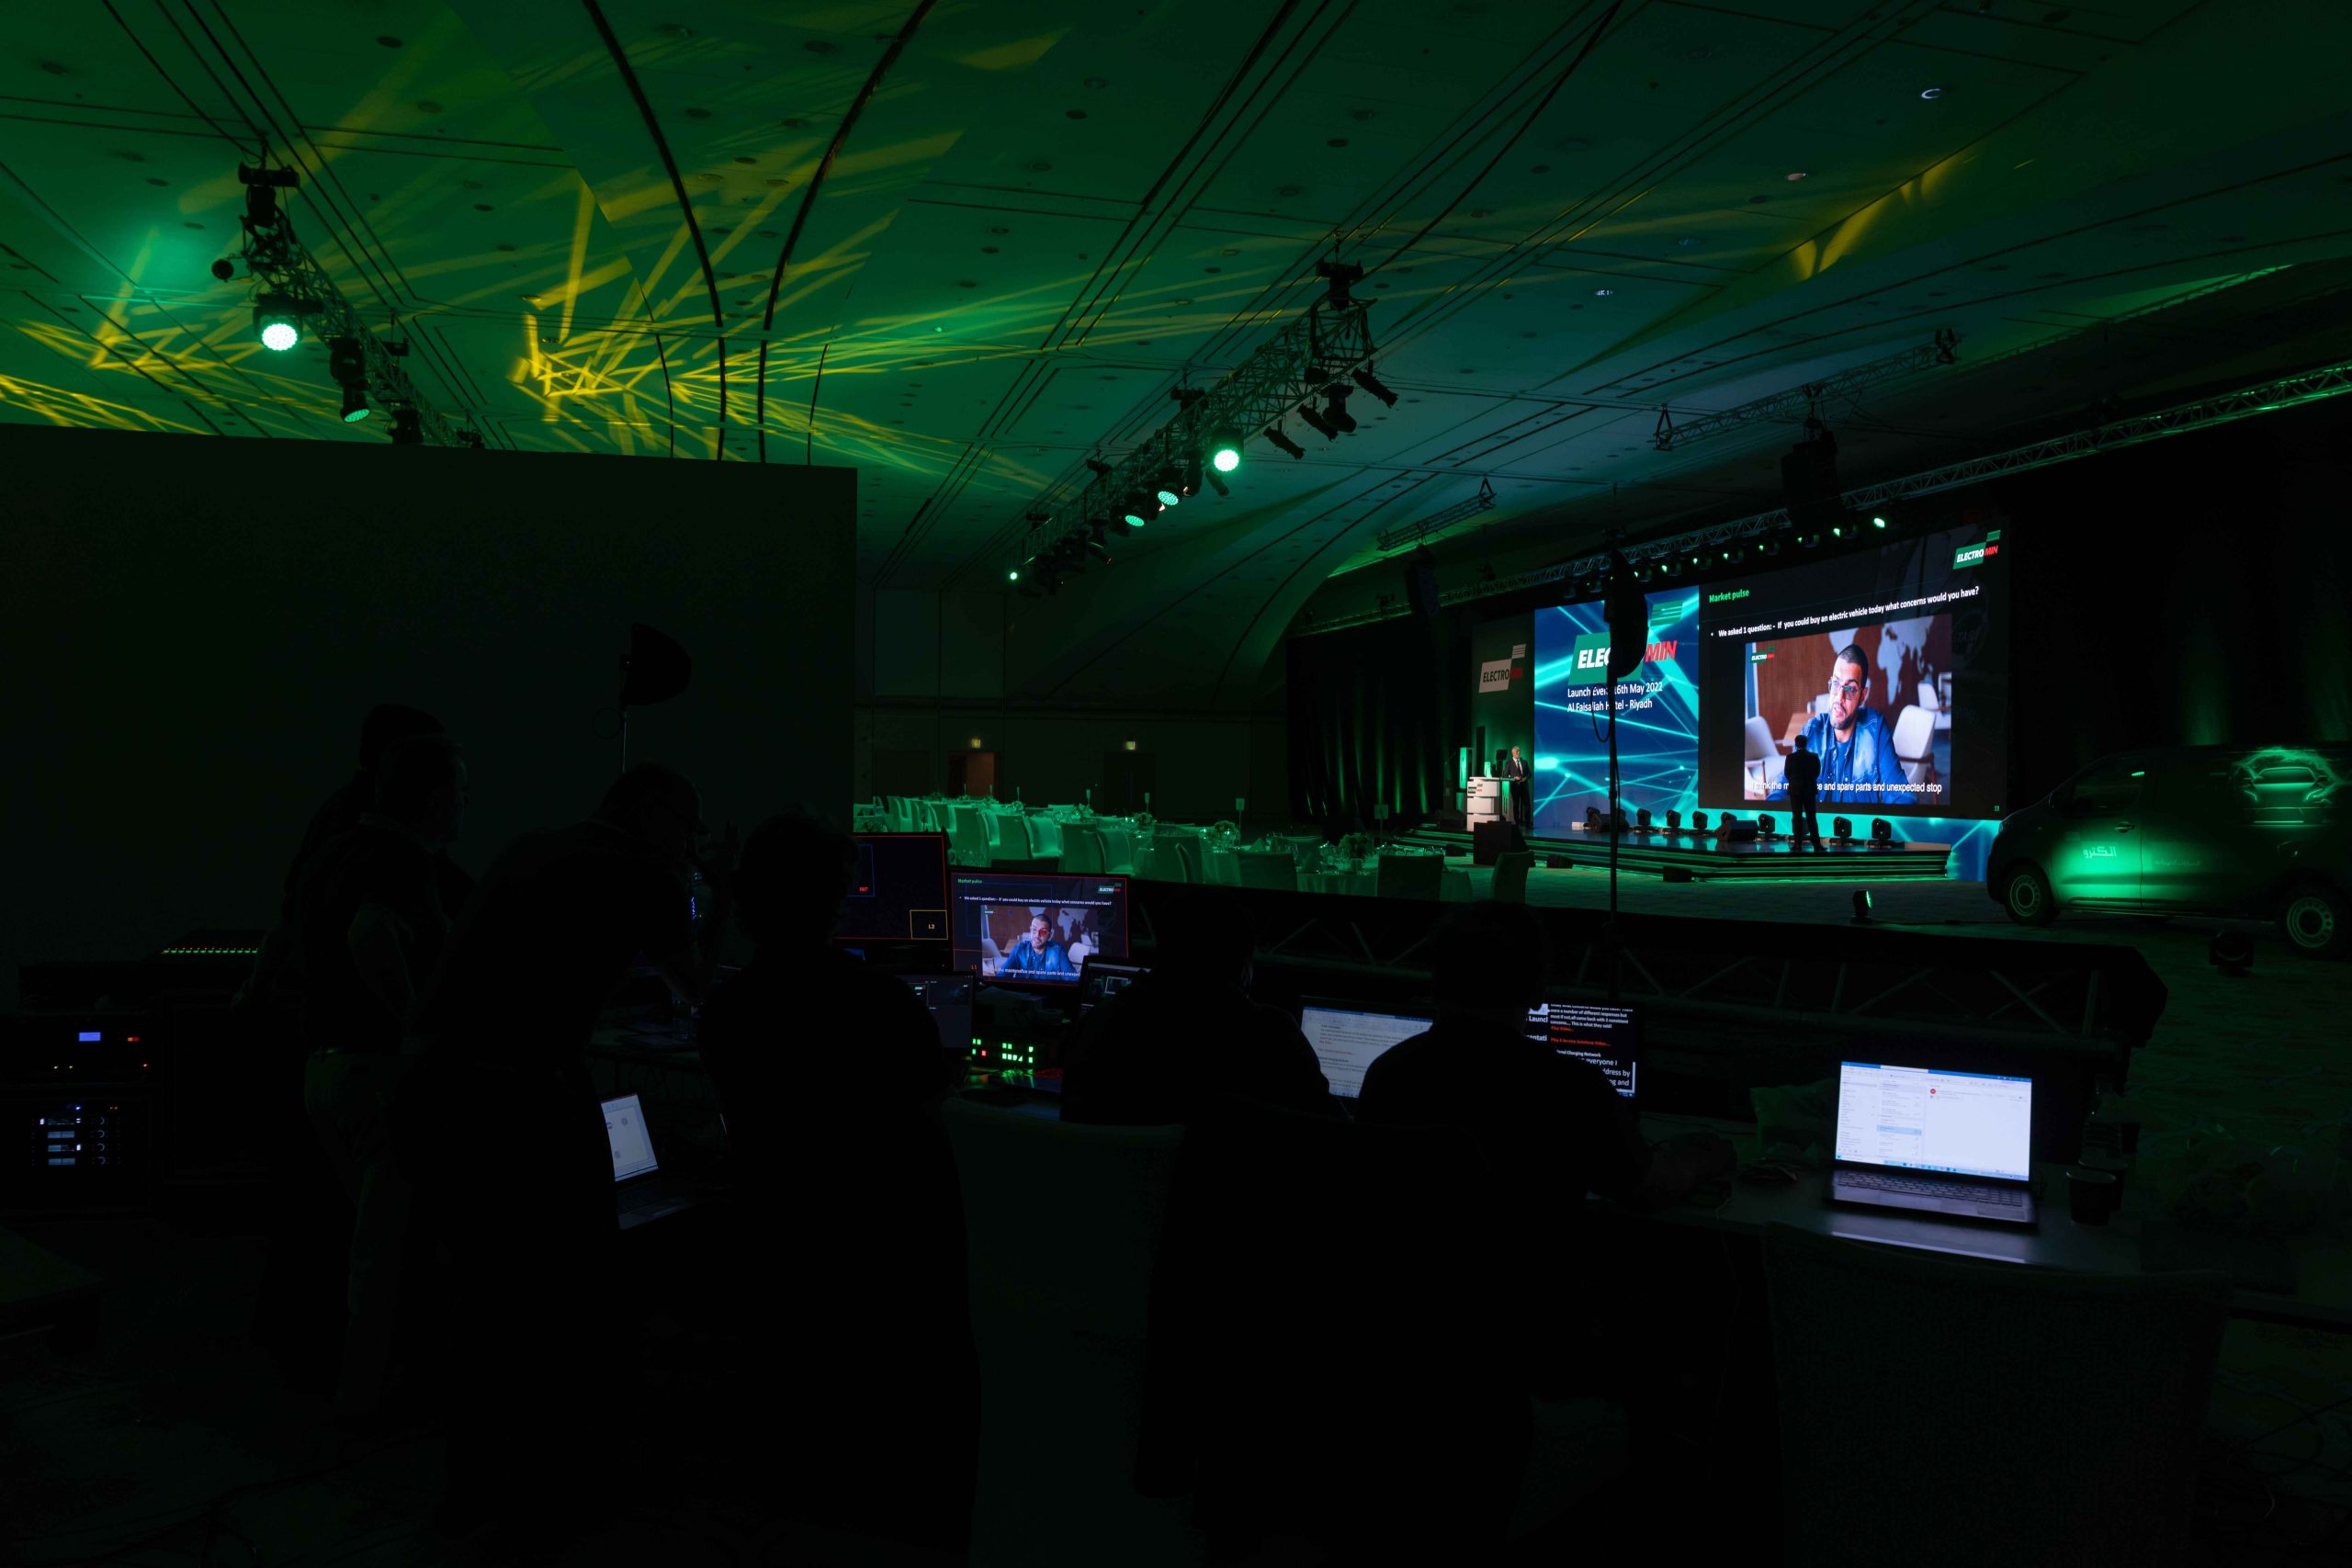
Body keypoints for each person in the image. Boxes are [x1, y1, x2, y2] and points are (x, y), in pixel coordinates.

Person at [395, 762, 733, 1540]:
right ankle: (559, 1485)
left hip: (434, 1087)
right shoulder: (643, 872)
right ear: (648, 812)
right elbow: (699, 985)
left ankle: (477, 1486)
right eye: (687, 826)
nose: (690, 844)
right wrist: (721, 893)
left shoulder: (533, 847)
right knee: (571, 1288)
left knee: (488, 1293)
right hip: (517, 1097)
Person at [696, 807, 975, 1552]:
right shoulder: (883, 1004)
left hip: (781, 1243)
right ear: (834, 898)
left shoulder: (726, 1008)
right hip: (878, 1256)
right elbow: (932, 1117)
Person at [294, 733, 466, 1422]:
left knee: (371, 1244)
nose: (464, 804)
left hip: (323, 1070)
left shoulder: (330, 853)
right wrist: (415, 1025)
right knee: (385, 1254)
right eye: (459, 791)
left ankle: (370, 1385)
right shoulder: (403, 860)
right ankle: (361, 1403)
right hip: (379, 1074)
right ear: (432, 798)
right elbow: (371, 934)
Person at [237, 704, 467, 1015]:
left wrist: (255, 994)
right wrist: (412, 1021)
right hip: (374, 1037)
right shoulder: (397, 852)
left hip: (326, 1029)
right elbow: (369, 930)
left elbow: (288, 922)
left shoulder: (336, 836)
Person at [1063, 888, 1339, 1125]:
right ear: (1243, 966)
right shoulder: (1273, 1035)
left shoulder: (1099, 1023)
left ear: (1162, 950)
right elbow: (1334, 1130)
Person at [1771, 642, 1910, 807]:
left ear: (1862, 696)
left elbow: (1900, 794)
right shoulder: (1811, 732)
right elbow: (1782, 790)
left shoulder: (1875, 730)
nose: (1839, 697)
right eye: (1836, 684)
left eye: (1850, 689)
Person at [996, 912, 1074, 977]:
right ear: (1030, 930)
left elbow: (1072, 978)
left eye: (1043, 932)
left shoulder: (1058, 951)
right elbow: (1002, 975)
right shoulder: (1020, 949)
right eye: (1034, 929)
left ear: (1049, 935)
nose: (1037, 935)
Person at [1783, 732, 1823, 851]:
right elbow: (1817, 772)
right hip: (1809, 790)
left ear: (1796, 745)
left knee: (1797, 817)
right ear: (1806, 744)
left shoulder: (1790, 757)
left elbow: (1787, 774)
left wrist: (1795, 782)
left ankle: (1797, 844)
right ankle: (1817, 845)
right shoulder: (1813, 757)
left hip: (1795, 791)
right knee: (1812, 818)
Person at [1502, 744, 1532, 830]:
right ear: (1513, 753)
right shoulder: (1509, 763)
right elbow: (1505, 776)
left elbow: (1529, 774)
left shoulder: (1524, 762)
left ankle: (1528, 824)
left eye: (1519, 751)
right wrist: (1514, 778)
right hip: (1515, 787)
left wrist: (1525, 779)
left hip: (1524, 787)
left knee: (1527, 805)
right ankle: (1517, 824)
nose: (1518, 753)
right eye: (1517, 752)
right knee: (1516, 805)